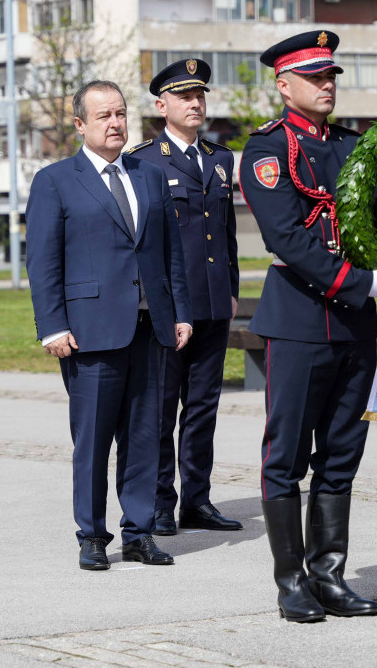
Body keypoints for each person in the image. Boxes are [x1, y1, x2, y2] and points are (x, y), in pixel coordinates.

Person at [240, 30, 377, 623]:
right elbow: (287, 237)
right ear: (284, 86)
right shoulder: (266, 150)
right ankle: (291, 583)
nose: (328, 84)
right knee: (286, 455)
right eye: (314, 77)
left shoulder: (356, 146)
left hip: (354, 328)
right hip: (302, 321)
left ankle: (329, 574)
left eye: (331, 74)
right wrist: (359, 284)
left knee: (341, 453)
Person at [26, 80, 193, 572]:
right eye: (104, 116)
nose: (116, 123)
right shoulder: (55, 180)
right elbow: (43, 262)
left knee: (145, 437)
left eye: (120, 113)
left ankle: (138, 532)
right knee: (94, 441)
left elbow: (170, 254)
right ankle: (92, 535)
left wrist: (180, 310)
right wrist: (52, 326)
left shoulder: (149, 176)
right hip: (90, 331)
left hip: (151, 327)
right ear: (80, 125)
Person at [126, 58, 242, 536]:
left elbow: (226, 233)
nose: (195, 103)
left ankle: (198, 499)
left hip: (213, 302)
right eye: (183, 96)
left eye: (200, 95)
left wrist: (232, 289)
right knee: (160, 407)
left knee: (203, 408)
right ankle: (158, 502)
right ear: (161, 104)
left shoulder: (221, 159)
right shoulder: (142, 161)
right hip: (169, 307)